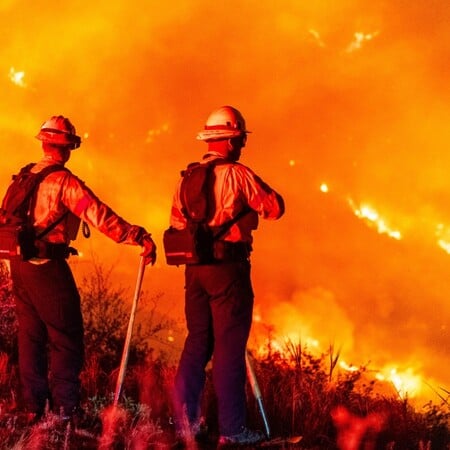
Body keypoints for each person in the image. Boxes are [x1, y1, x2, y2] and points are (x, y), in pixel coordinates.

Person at [3, 115, 156, 424]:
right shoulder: (63, 181)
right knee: (66, 336)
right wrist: (137, 235)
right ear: (67, 147)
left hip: (17, 266)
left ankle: (34, 409)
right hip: (47, 267)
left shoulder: (22, 176)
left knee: (30, 337)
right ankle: (64, 411)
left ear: (44, 143)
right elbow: (98, 214)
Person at [169, 106, 285, 446]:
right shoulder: (238, 174)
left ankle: (183, 424)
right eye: (240, 140)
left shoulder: (185, 178)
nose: (242, 147)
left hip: (195, 272)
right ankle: (232, 431)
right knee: (229, 350)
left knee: (196, 343)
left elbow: (176, 224)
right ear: (232, 140)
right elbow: (275, 208)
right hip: (228, 272)